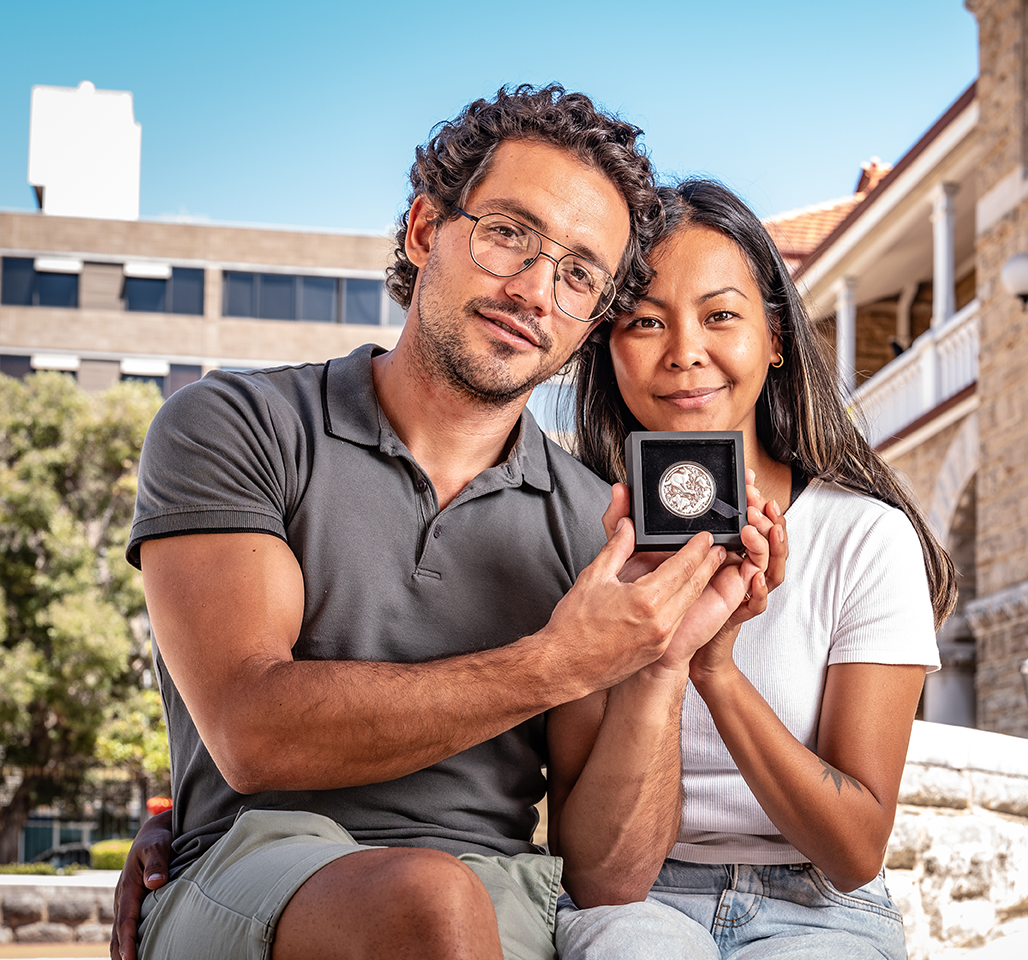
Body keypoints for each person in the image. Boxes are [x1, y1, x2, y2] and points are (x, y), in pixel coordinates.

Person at [109, 87, 785, 960]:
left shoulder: (595, 518)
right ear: (428, 230)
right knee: (431, 901)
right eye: (510, 233)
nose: (536, 290)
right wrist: (558, 660)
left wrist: (658, 661)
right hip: (252, 867)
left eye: (580, 273)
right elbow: (253, 732)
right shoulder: (237, 424)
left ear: (587, 325)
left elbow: (607, 877)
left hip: (505, 891)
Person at [552, 179, 959, 959]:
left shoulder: (865, 538)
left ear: (774, 338)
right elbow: (598, 875)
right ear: (609, 346)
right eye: (644, 320)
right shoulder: (583, 543)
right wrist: (659, 657)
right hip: (644, 895)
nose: (684, 352)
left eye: (720, 315)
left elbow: (853, 852)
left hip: (820, 908)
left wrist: (717, 669)